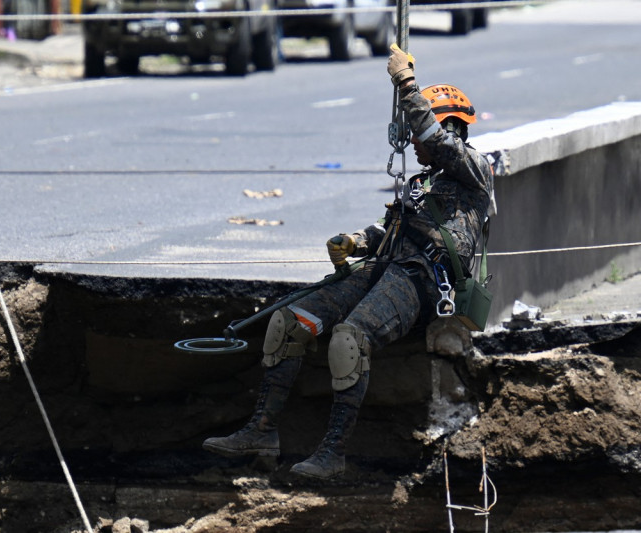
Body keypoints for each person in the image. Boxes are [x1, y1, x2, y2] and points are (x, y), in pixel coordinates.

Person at [202, 45, 495, 480]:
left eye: (418, 130)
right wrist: (356, 241)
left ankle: (332, 452)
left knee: (349, 339)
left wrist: (406, 84)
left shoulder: (474, 170)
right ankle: (261, 430)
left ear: (450, 125)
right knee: (289, 321)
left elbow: (435, 139)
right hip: (388, 267)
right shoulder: (420, 183)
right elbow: (390, 229)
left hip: (424, 280)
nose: (413, 141)